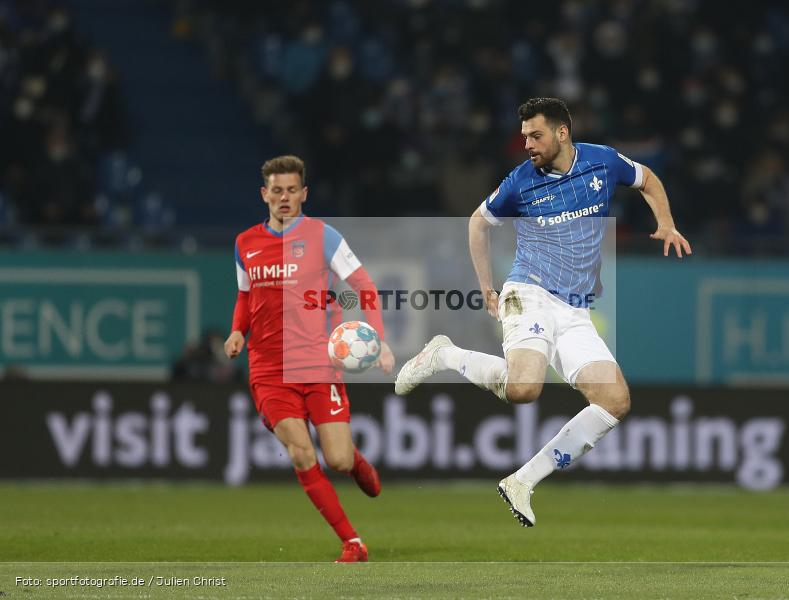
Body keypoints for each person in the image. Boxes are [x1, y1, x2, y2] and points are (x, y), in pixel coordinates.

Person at [395, 98, 691, 527]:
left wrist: (665, 222)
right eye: (524, 137)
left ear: (562, 132)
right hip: (528, 291)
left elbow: (647, 179)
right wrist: (486, 287)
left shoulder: (602, 161)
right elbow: (478, 222)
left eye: (535, 135)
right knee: (524, 390)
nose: (527, 144)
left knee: (615, 400)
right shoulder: (520, 181)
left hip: (575, 309)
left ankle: (522, 481)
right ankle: (444, 355)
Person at [225, 155, 395, 562]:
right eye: (276, 190)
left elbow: (363, 285)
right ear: (265, 194)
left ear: (304, 194)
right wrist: (237, 330)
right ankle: (352, 542)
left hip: (319, 364)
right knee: (302, 453)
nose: (284, 198)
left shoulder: (323, 236)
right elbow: (246, 295)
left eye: (291, 190)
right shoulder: (245, 243)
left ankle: (353, 462)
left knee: (335, 458)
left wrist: (380, 341)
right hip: (268, 368)